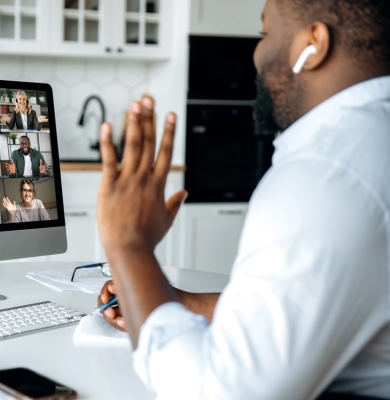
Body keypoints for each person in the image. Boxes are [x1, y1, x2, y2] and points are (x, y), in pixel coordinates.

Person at [95, 0, 390, 398]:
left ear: (314, 43)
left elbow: (220, 391)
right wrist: (170, 300)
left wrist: (128, 244)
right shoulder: (371, 137)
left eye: (265, 33)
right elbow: (292, 305)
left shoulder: (324, 176)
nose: (256, 55)